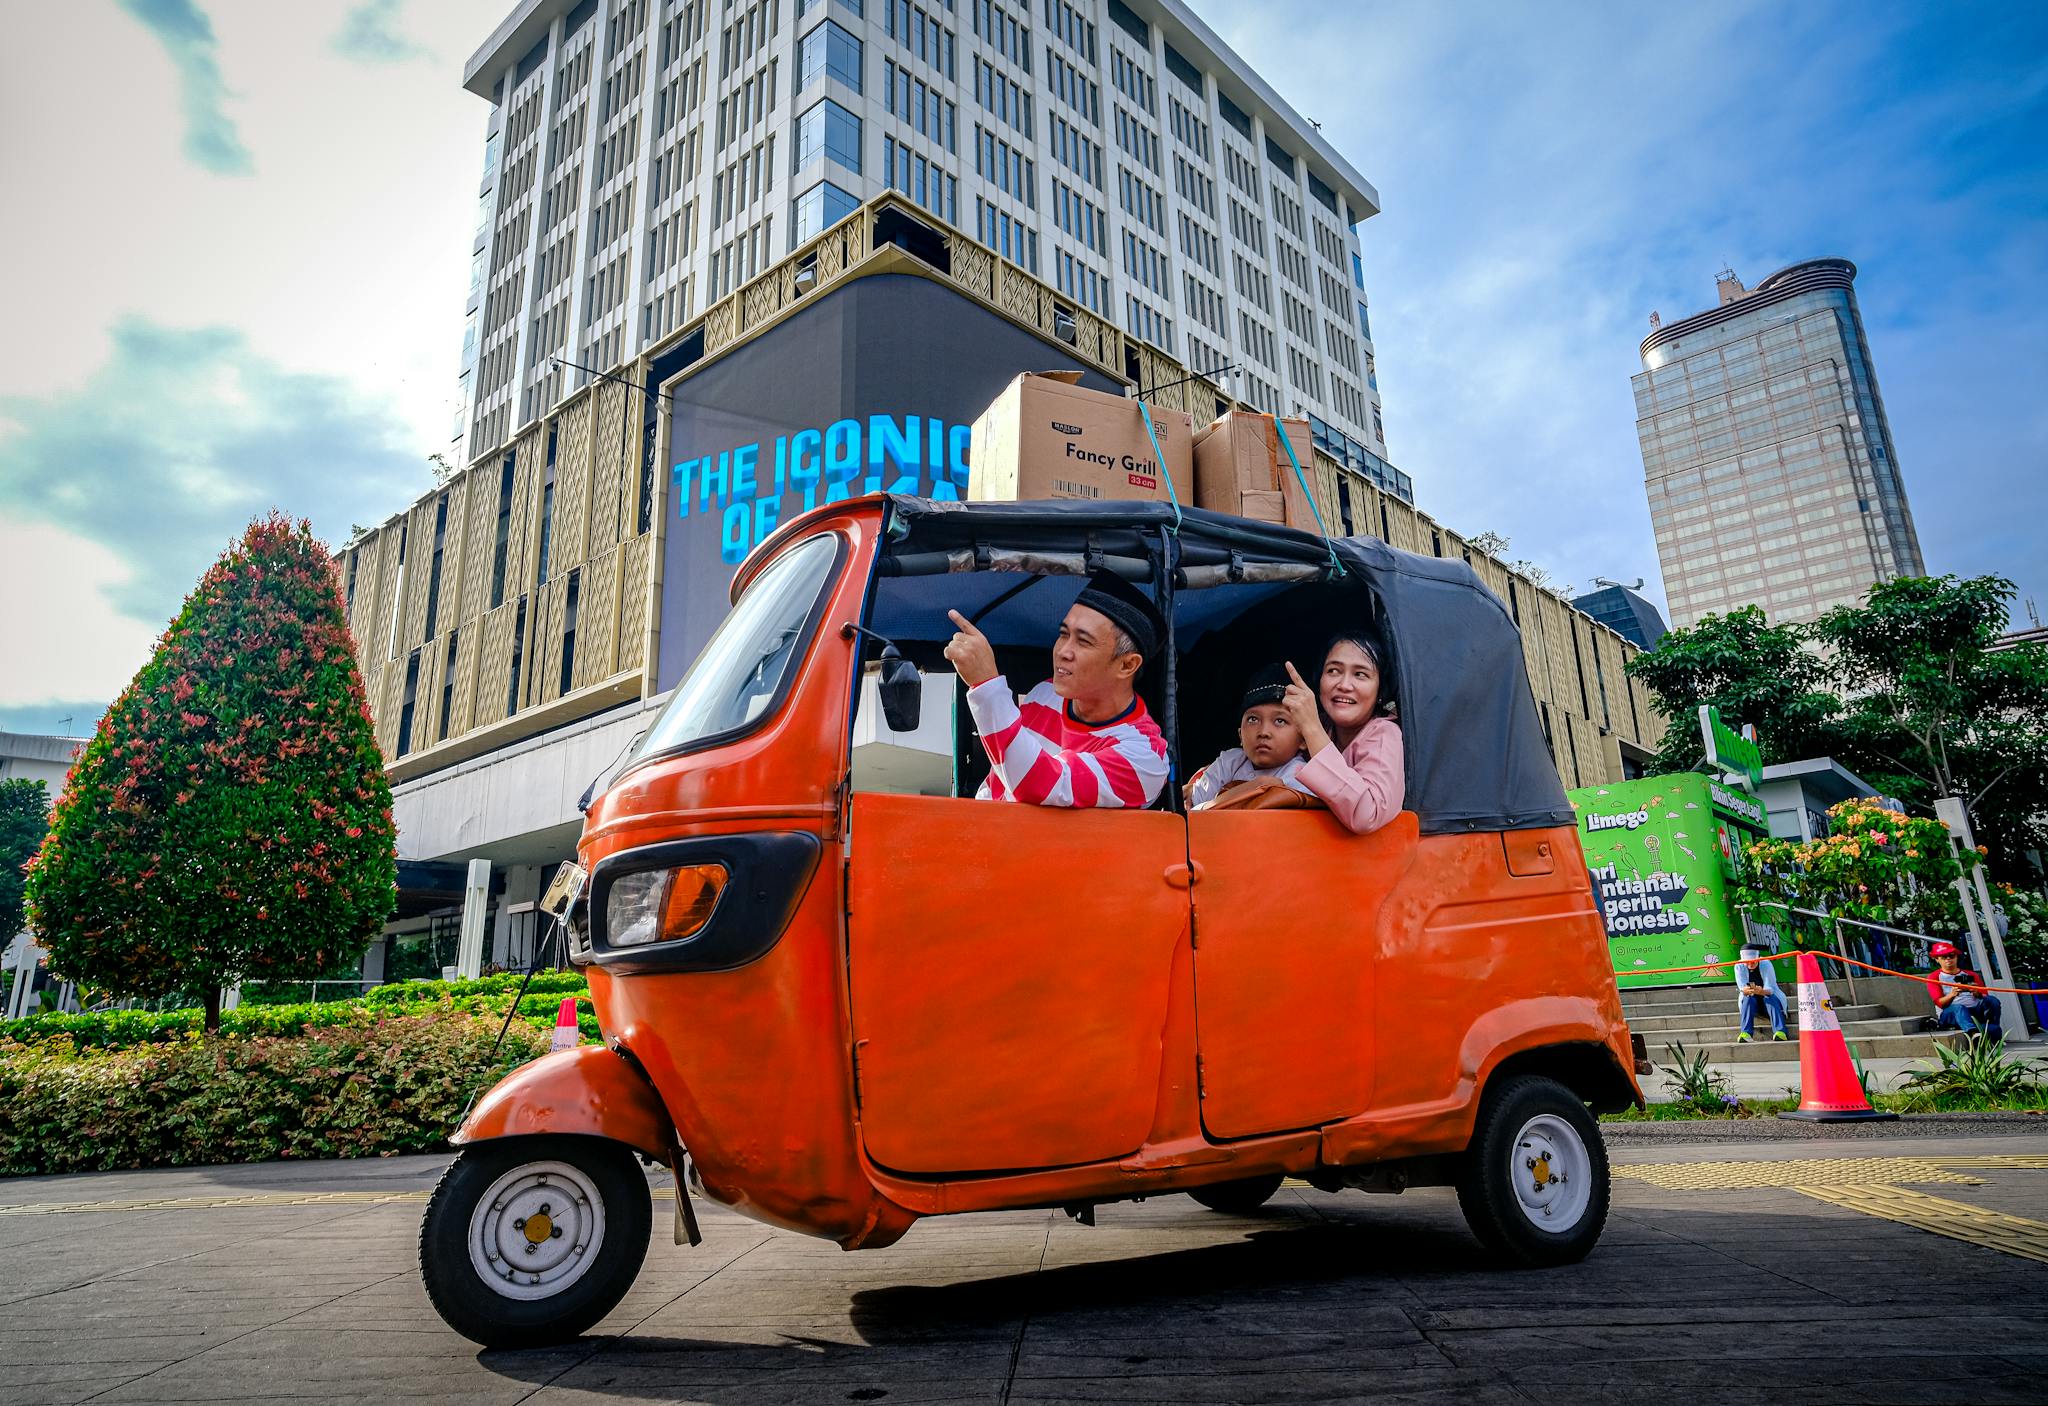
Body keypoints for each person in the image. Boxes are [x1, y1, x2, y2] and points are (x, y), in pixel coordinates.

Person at [945, 570, 1171, 809]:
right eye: (1063, 635)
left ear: (1127, 665)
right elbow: (996, 787)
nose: (1063, 651)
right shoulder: (1045, 693)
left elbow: (1039, 785)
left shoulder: (1146, 758)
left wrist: (986, 686)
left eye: (1083, 641)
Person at [1277, 632, 1405, 834]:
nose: (1344, 685)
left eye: (1360, 674)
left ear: (1380, 690)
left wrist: (1312, 729)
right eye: (1334, 671)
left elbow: (1367, 814)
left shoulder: (1384, 734)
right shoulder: (1318, 723)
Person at [1185, 664, 1316, 809]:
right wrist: (1256, 787)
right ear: (1240, 734)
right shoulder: (1229, 762)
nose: (1263, 732)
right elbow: (1193, 809)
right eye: (1253, 719)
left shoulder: (1302, 776)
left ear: (1303, 739)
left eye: (1280, 721)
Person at [1926, 942, 2005, 1043]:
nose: (1948, 959)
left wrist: (1977, 993)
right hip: (1951, 1013)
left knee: (1993, 1000)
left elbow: (1985, 996)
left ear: (1956, 957)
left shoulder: (1971, 974)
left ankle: (1993, 1027)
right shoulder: (1934, 977)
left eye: (1951, 955)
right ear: (1937, 959)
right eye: (1943, 957)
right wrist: (1952, 994)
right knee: (1959, 1007)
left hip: (1974, 1010)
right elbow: (1939, 1003)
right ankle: (1972, 1032)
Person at [1731, 946, 1789, 1043]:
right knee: (1747, 998)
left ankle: (1780, 1031)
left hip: (1768, 1001)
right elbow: (1742, 986)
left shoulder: (1766, 963)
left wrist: (1761, 991)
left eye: (1753, 961)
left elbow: (1770, 988)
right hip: (1753, 1004)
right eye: (1747, 961)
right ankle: (1746, 1033)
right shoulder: (1739, 966)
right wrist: (1745, 990)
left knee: (1770, 997)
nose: (1750, 964)